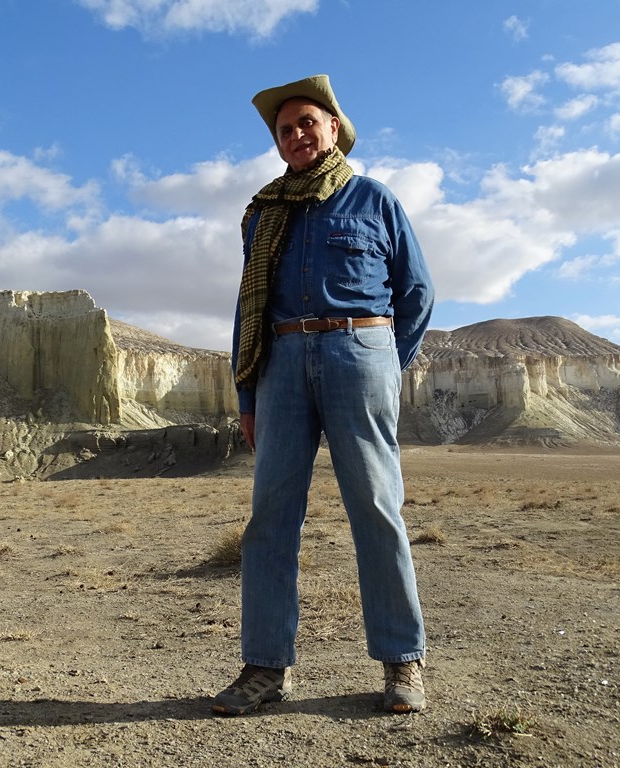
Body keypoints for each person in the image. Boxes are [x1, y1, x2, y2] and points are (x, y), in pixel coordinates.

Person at [212, 74, 434, 716]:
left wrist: (385, 364)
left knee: (376, 505)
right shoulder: (262, 214)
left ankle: (402, 663)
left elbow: (415, 293)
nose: (296, 135)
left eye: (308, 122)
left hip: (359, 351)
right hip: (280, 361)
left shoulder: (374, 199)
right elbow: (247, 310)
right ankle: (263, 669)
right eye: (285, 129)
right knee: (270, 518)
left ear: (334, 127)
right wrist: (247, 395)